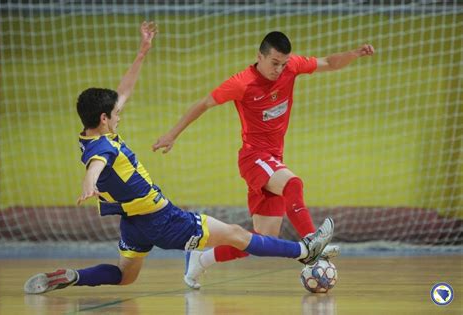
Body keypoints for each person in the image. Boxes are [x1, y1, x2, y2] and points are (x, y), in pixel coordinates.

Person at [23, 22, 335, 295]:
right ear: (104, 118)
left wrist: (142, 52)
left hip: (132, 225)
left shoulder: (90, 135)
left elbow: (123, 92)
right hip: (163, 219)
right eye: (116, 114)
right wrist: (88, 184)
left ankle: (74, 276)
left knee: (123, 277)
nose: (121, 114)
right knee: (239, 235)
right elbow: (97, 164)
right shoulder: (103, 149)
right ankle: (305, 250)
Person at [152, 31, 374, 289]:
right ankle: (313, 243)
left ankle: (201, 259)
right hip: (254, 156)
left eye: (283, 63)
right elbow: (204, 104)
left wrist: (355, 54)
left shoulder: (292, 67)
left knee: (259, 241)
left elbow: (329, 63)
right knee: (293, 184)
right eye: (274, 63)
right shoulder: (241, 82)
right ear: (260, 56)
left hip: (272, 159)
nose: (279, 69)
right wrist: (172, 134)